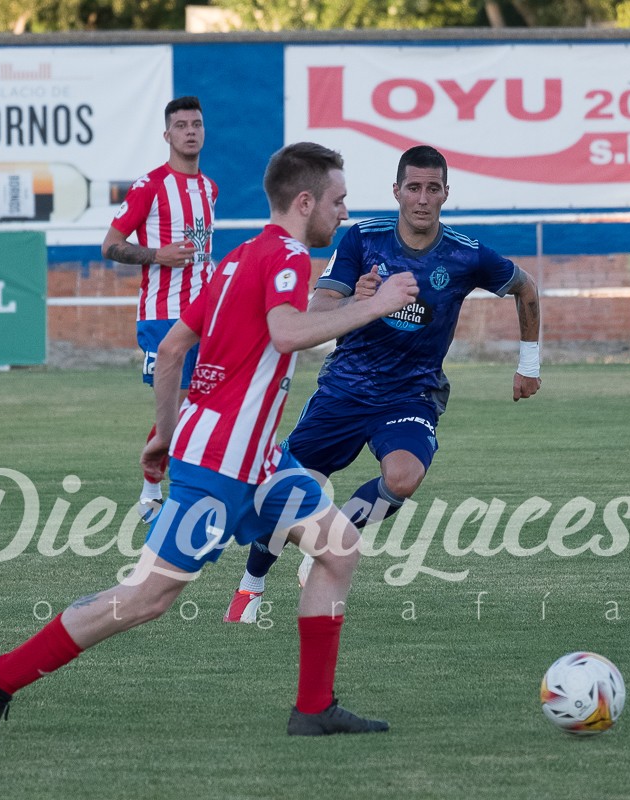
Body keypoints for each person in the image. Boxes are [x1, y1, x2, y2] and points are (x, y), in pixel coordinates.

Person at [0, 142, 420, 743]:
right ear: (304, 201)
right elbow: (285, 334)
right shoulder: (284, 256)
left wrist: (167, 433)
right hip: (221, 465)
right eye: (337, 200)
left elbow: (176, 347)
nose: (343, 211)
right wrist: (379, 305)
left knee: (338, 550)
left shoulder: (239, 259)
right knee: (147, 597)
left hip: (256, 460)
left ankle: (313, 708)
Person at [224, 144, 541, 624]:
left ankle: (328, 545)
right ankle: (251, 587)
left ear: (445, 194)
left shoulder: (465, 254)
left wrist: (529, 364)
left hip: (412, 392)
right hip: (345, 388)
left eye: (432, 188)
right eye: (413, 187)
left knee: (403, 476)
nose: (422, 198)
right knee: (291, 495)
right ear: (397, 191)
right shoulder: (361, 241)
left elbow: (526, 288)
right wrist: (360, 298)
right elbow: (318, 314)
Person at [102, 95, 218, 523]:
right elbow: (110, 245)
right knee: (179, 406)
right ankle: (153, 485)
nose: (191, 131)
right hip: (163, 315)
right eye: (182, 125)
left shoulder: (209, 188)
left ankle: (189, 489)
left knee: (203, 404)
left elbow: (204, 254)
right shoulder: (150, 185)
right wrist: (157, 255)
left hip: (206, 316)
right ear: (167, 135)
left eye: (197, 124)